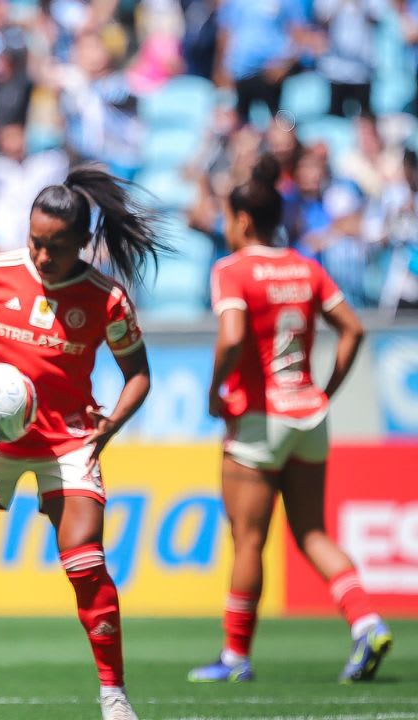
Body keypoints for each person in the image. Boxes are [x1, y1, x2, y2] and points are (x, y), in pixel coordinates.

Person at [0, 166, 165, 720]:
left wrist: (111, 424)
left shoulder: (106, 298)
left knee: (85, 564)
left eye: (56, 246)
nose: (43, 256)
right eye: (35, 242)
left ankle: (114, 695)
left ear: (81, 242)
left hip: (68, 442)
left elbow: (139, 375)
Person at [188, 156, 392, 684]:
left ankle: (235, 657)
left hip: (257, 418)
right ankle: (366, 623)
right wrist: (325, 390)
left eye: (231, 220)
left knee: (249, 540)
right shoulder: (306, 266)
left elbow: (233, 337)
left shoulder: (232, 269)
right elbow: (353, 330)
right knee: (311, 531)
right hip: (308, 414)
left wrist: (217, 394)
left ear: (244, 222)